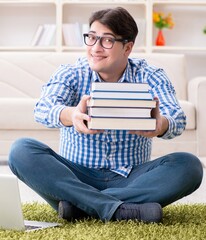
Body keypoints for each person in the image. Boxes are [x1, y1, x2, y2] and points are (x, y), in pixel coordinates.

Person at [8, 7, 203, 223]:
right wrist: (71, 114)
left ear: (127, 48)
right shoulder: (72, 73)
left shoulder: (150, 75)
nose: (95, 48)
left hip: (131, 178)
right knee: (21, 150)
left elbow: (177, 117)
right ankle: (119, 209)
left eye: (106, 41)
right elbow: (43, 108)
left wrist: (161, 125)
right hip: (76, 177)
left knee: (189, 166)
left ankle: (81, 207)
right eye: (91, 38)